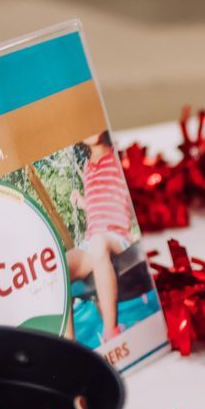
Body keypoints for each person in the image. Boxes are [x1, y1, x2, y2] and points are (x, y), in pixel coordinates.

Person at [66, 131, 134, 343]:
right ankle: (70, 346)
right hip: (93, 241)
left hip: (117, 237)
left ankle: (111, 332)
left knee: (98, 242)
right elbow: (98, 207)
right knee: (60, 266)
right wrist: (82, 202)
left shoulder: (117, 158)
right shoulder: (87, 168)